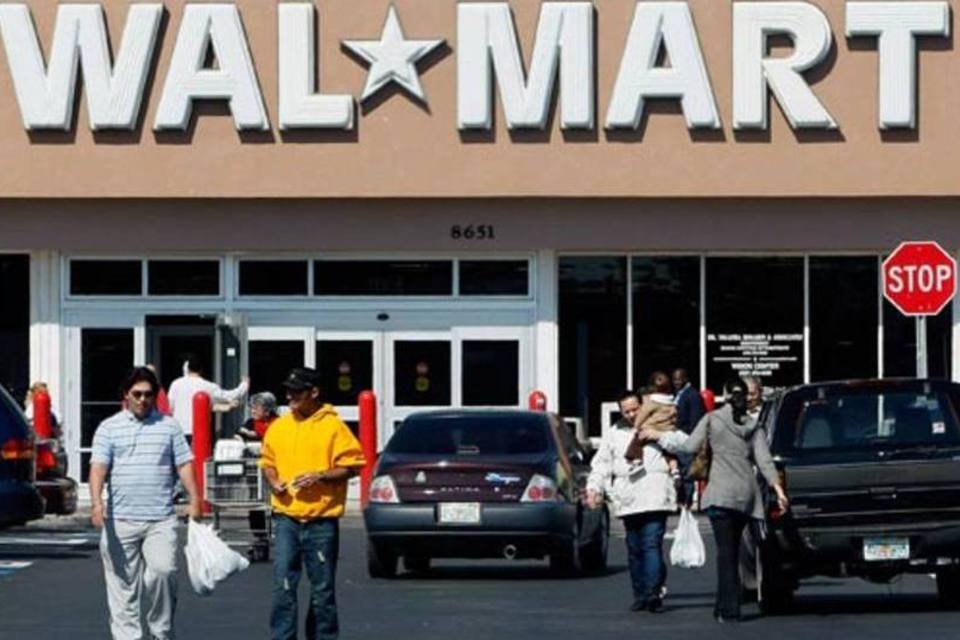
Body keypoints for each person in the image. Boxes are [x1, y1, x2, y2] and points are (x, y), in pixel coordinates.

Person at [640, 378, 789, 623]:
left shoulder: (712, 420)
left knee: (725, 553)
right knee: (736, 551)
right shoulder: (753, 425)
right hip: (746, 497)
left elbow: (688, 447)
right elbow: (764, 462)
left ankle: (729, 609)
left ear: (725, 394)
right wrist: (779, 490)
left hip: (719, 494)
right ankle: (724, 605)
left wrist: (660, 436)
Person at [88, 366, 202, 640]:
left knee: (163, 573)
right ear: (126, 395)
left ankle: (161, 632)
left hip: (159, 520)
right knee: (123, 588)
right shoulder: (109, 427)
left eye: (148, 394)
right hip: (121, 520)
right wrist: (95, 503)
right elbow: (98, 468)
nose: (142, 400)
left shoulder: (169, 426)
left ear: (155, 396)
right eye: (136, 394)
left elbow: (184, 464)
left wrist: (195, 499)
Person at [260, 367, 366, 640]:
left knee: (322, 590)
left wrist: (320, 476)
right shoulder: (280, 426)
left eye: (296, 391)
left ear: (314, 392)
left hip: (321, 521)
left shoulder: (333, 426)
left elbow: (352, 465)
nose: (289, 396)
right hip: (287, 518)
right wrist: (273, 481)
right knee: (283, 585)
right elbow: (268, 463)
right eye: (288, 391)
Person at [587, 390, 677, 613]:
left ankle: (653, 593)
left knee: (650, 545)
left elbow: (683, 444)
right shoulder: (614, 433)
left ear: (643, 406)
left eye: (634, 409)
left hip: (655, 496)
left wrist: (659, 436)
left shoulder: (659, 424)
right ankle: (641, 593)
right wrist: (594, 487)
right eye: (625, 411)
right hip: (628, 497)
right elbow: (602, 463)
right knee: (634, 548)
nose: (630, 414)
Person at [167, 355, 249, 438]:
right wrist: (244, 385)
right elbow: (230, 395)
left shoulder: (175, 384)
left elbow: (170, 407)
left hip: (178, 429)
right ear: (201, 369)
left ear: (187, 369)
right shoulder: (208, 386)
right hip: (199, 431)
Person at [672, 368, 706, 506]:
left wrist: (693, 441)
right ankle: (680, 502)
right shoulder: (678, 394)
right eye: (674, 379)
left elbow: (696, 420)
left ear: (686, 378)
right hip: (676, 440)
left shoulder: (692, 395)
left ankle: (686, 503)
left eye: (679, 379)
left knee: (687, 473)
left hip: (686, 439)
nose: (676, 382)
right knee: (679, 472)